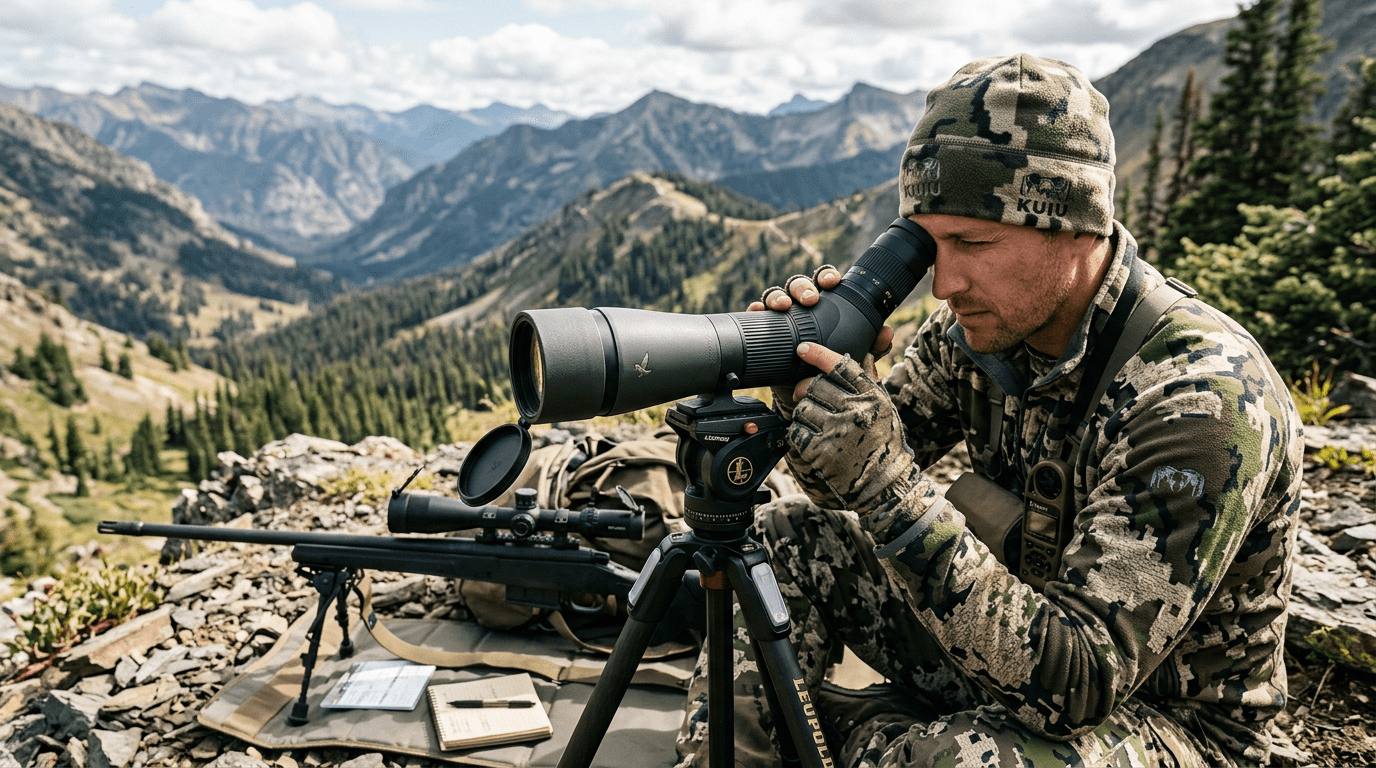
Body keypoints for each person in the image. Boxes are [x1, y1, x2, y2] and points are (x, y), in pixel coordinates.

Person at [674, 53, 1303, 768]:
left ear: (1074, 224)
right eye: (928, 244)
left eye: (972, 243)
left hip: (1159, 720)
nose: (943, 284)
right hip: (1004, 648)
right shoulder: (977, 333)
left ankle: (862, 737)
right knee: (786, 535)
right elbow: (842, 491)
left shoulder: (1200, 399)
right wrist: (820, 403)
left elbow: (1080, 684)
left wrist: (887, 484)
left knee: (959, 759)